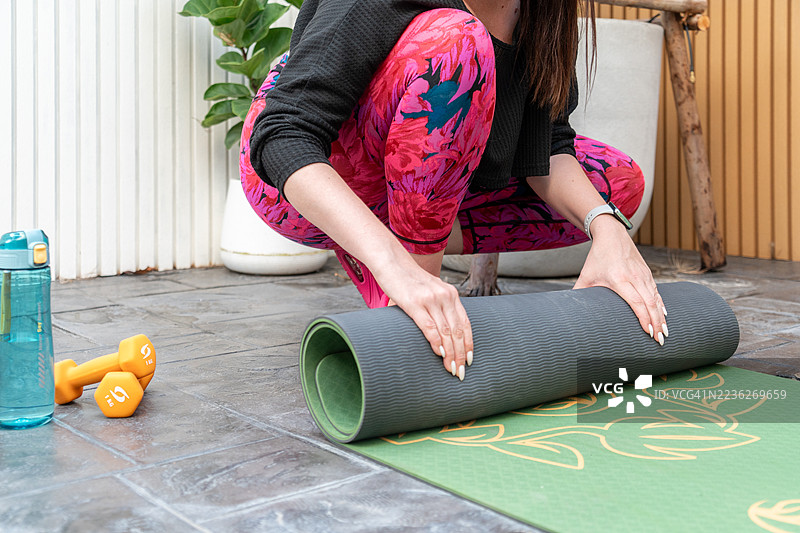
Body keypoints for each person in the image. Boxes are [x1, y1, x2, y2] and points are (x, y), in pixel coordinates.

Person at [241, 0, 668, 382]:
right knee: (459, 42)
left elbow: (549, 148)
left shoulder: (543, 10)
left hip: (426, 181)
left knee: (618, 184)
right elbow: (284, 134)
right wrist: (398, 269)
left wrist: (610, 232)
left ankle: (390, 251)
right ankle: (406, 279)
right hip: (297, 178)